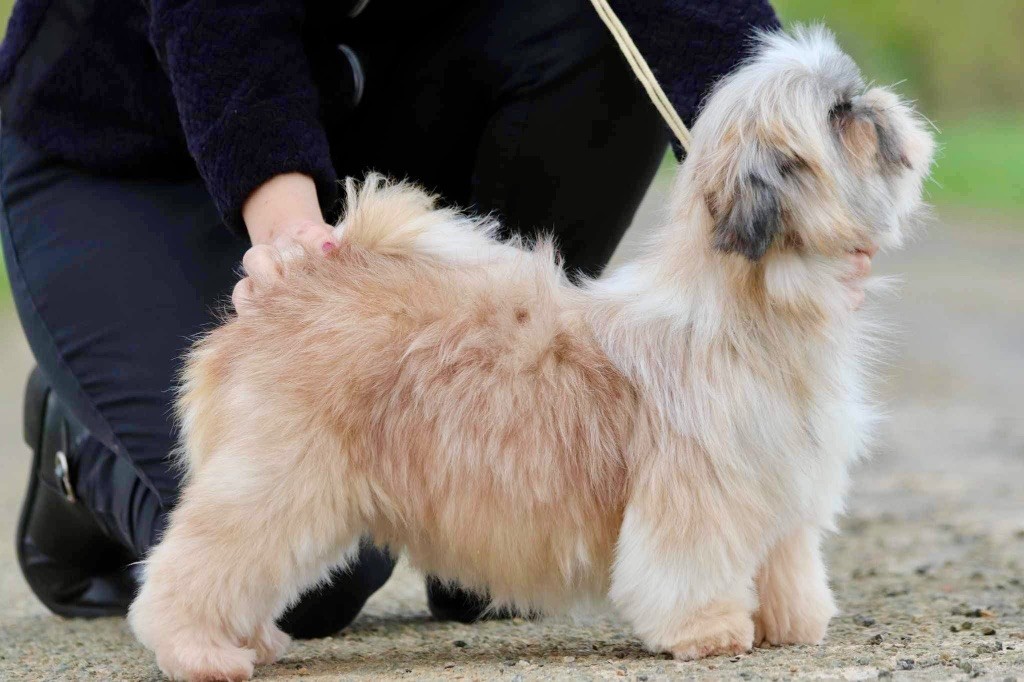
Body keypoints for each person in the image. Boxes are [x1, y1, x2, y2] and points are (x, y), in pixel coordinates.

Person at [0, 0, 832, 637]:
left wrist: (794, 185)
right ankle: (80, 453)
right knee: (311, 581)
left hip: (386, 104)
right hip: (131, 155)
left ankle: (508, 470)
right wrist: (289, 234)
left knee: (593, 24)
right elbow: (219, 20)